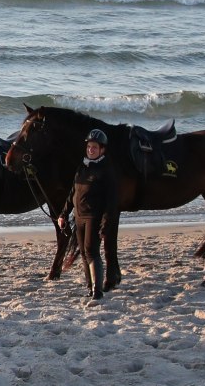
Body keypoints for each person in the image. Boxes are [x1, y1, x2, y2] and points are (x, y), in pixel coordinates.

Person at [73, 128, 121, 300]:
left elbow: (111, 202)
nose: (90, 150)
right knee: (84, 254)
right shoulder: (83, 167)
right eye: (89, 147)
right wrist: (64, 214)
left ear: (102, 150)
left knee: (92, 252)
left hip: (94, 216)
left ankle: (97, 291)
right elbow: (74, 191)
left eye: (94, 147)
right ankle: (89, 286)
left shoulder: (106, 171)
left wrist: (105, 224)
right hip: (79, 216)